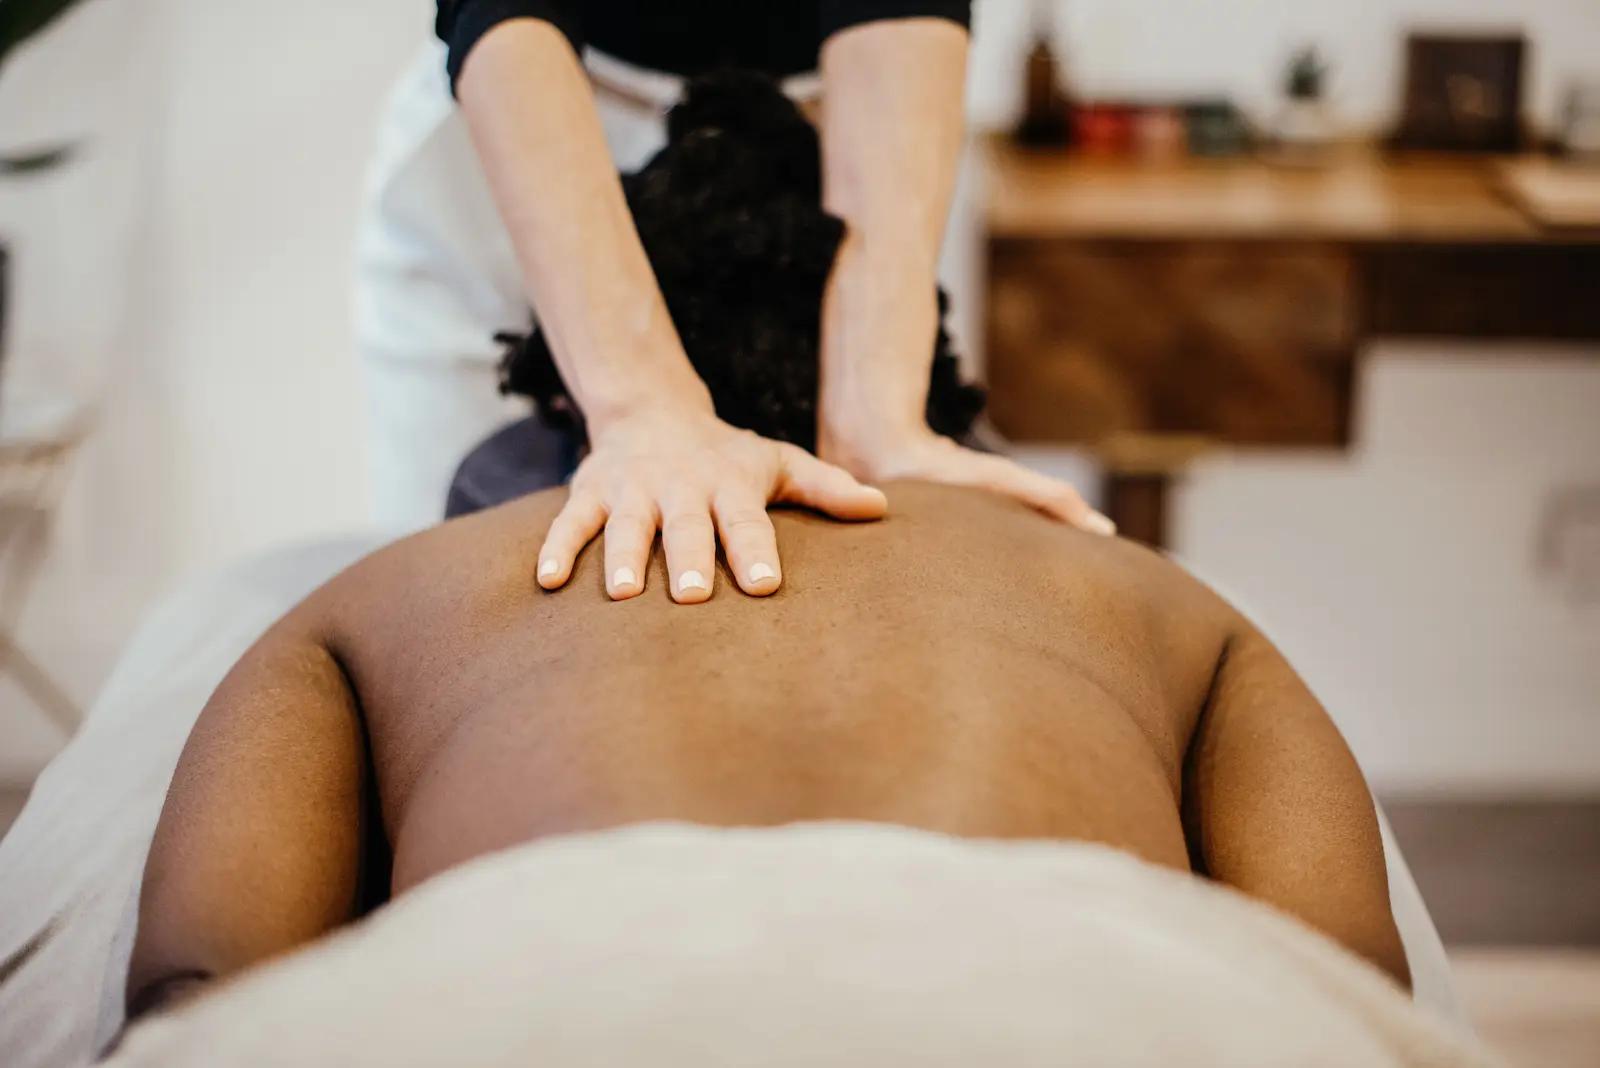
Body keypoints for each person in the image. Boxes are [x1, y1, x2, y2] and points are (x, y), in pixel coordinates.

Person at [127, 78, 1408, 1015]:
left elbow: (200, 989)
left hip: (549, 987)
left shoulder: (389, 594)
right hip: (1050, 993)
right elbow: (1352, 987)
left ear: (558, 400)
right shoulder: (1150, 593)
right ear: (933, 388)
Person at [358, 1, 1115, 605]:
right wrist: (637, 407)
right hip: (529, 114)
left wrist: (877, 411)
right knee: (454, 608)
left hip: (853, 134)